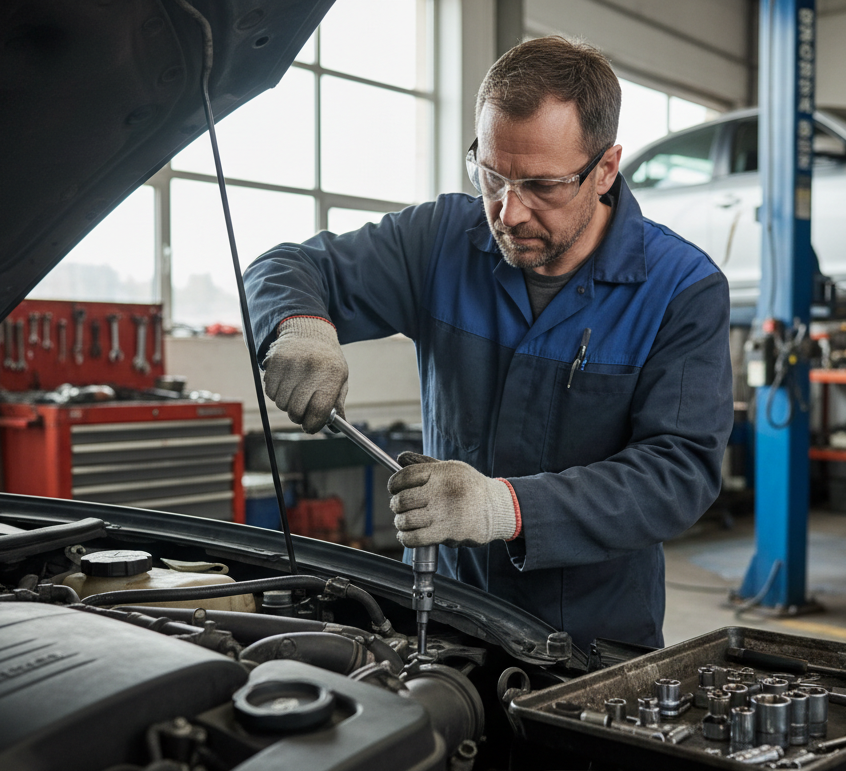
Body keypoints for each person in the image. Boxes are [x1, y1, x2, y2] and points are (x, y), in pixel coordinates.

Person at [243, 36, 732, 649]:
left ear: (606, 169)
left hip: (594, 641)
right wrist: (299, 326)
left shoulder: (680, 288)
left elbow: (677, 473)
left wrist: (504, 508)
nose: (508, 212)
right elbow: (285, 265)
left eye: (542, 185)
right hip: (443, 617)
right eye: (493, 176)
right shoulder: (442, 240)